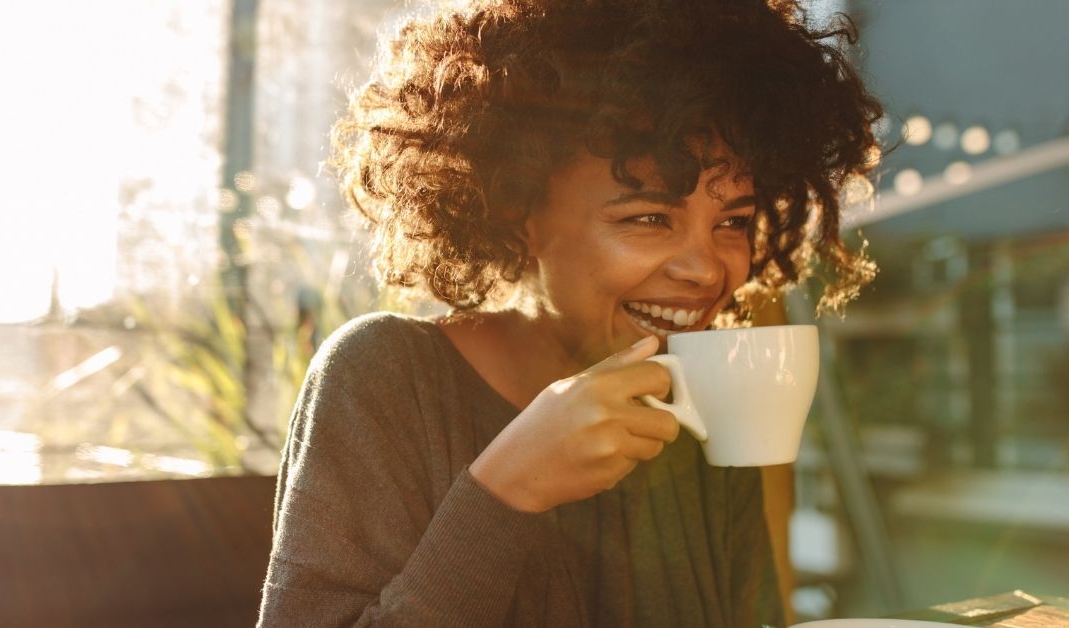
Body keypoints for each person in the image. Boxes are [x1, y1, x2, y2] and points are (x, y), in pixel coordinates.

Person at [259, 0, 881, 625]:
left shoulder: (703, 402)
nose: (706, 269)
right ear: (515, 210)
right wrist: (506, 489)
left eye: (733, 222)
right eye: (649, 217)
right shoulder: (386, 377)